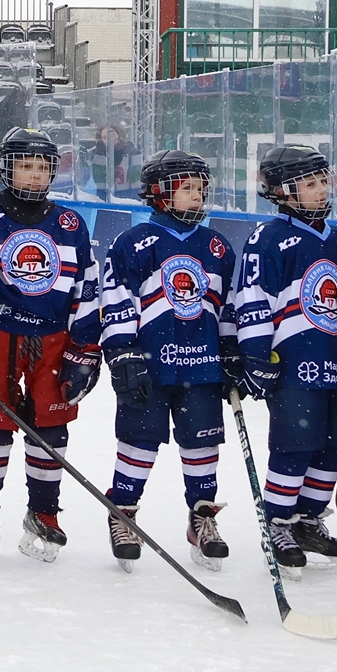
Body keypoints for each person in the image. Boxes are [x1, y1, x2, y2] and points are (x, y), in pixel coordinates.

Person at [0, 126, 102, 563]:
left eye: (43, 168)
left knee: (50, 427)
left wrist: (85, 349)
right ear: (6, 169)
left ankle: (44, 512)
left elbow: (88, 287)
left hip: (53, 339)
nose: (36, 176)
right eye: (25, 166)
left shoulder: (69, 224)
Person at [97, 151, 237, 571]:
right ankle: (123, 510)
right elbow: (115, 297)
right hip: (149, 365)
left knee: (202, 442)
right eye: (187, 189)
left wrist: (232, 350)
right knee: (139, 440)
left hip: (203, 365)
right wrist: (122, 351)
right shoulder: (134, 241)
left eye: (200, 189)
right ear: (160, 194)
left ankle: (202, 517)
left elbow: (229, 305)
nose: (197, 197)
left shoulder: (217, 246)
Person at [231, 144, 337, 577]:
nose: (322, 190)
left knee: (330, 447)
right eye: (310, 184)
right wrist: (256, 356)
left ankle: (308, 521)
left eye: (323, 181)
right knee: (294, 445)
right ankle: (279, 521)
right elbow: (252, 301)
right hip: (292, 364)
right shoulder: (267, 239)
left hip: (336, 360)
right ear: (282, 191)